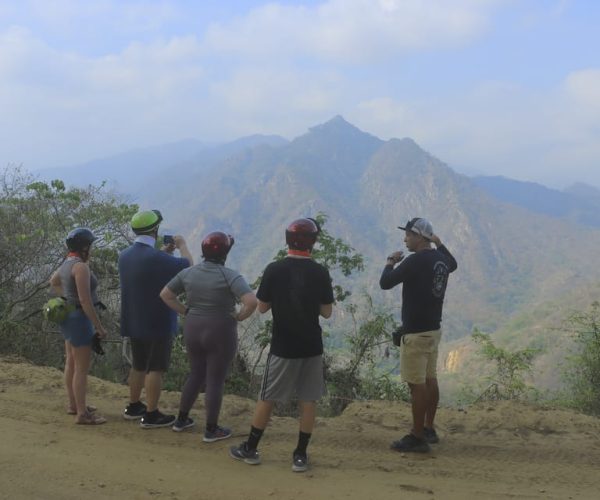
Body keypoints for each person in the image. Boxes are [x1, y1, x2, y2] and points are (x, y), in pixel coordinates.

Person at [229, 218, 334, 473]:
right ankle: (300, 455)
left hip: (283, 346)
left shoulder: (274, 269)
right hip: (311, 345)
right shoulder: (320, 272)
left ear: (287, 240)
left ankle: (251, 449)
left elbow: (262, 308)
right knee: (308, 400)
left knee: (268, 397)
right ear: (313, 243)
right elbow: (327, 312)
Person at [160, 231, 257, 441]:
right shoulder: (230, 275)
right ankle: (211, 430)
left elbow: (166, 295)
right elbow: (251, 302)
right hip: (220, 329)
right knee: (215, 379)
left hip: (193, 326)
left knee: (195, 373)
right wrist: (239, 317)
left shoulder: (189, 273)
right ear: (225, 252)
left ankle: (181, 420)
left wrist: (185, 311)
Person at [379, 217, 457, 453]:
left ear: (420, 237)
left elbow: (386, 283)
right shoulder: (441, 260)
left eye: (409, 235)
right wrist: (440, 243)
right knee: (430, 379)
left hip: (415, 332)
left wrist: (390, 262)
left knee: (417, 385)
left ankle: (417, 436)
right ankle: (429, 427)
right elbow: (453, 264)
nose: (405, 239)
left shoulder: (414, 261)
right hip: (434, 330)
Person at [119, 209, 193, 428]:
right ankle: (151, 414)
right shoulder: (158, 258)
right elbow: (188, 268)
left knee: (139, 365)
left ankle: (134, 406)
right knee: (156, 368)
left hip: (133, 319)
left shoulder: (124, 256)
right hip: (157, 320)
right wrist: (182, 246)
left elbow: (148, 269)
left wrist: (164, 252)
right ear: (155, 230)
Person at [50, 228, 107, 425]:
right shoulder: (81, 267)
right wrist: (98, 326)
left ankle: (74, 404)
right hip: (80, 319)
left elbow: (54, 281)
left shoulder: (67, 262)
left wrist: (66, 299)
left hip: (68, 317)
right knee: (82, 368)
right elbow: (85, 300)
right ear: (85, 247)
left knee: (71, 362)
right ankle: (82, 414)